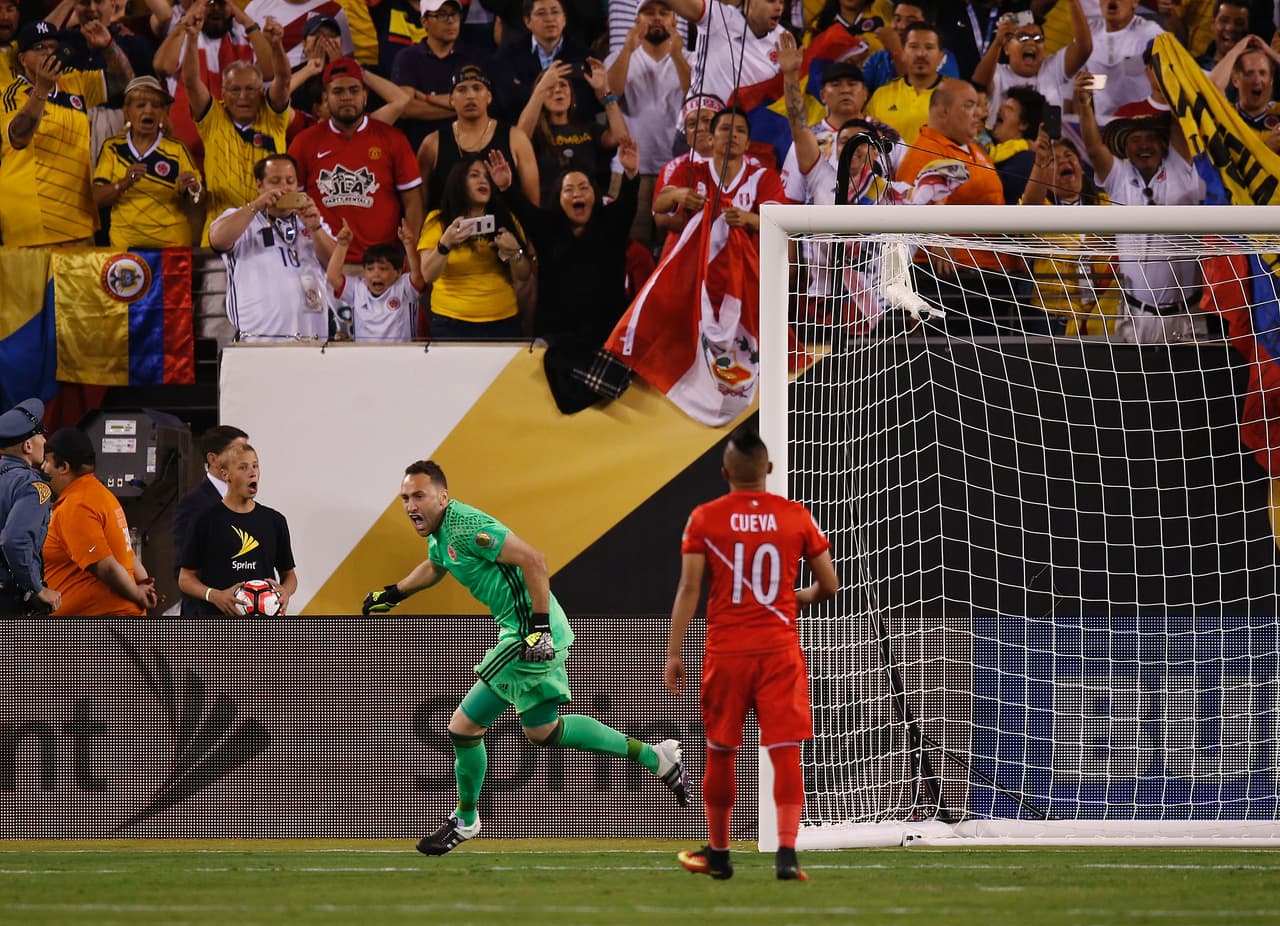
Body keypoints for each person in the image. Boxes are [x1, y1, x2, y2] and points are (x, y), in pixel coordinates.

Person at [360, 459, 691, 854]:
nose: (411, 505)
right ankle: (657, 757)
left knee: (462, 728)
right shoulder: (439, 534)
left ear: (442, 497)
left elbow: (534, 560)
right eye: (405, 498)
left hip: (526, 633)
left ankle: (466, 820)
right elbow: (436, 564)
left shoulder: (466, 526)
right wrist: (395, 592)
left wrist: (537, 628)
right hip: (529, 629)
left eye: (419, 495)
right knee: (543, 731)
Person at [665, 424, 839, 882]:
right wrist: (798, 598)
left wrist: (673, 652)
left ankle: (719, 855)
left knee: (720, 751)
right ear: (769, 469)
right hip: (779, 650)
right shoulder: (796, 516)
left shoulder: (704, 517)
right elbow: (831, 584)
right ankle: (786, 852)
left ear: (725, 471)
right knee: (785, 751)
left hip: (727, 651)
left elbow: (689, 587)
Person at [488, 138, 644, 410]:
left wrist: (631, 175)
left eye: (583, 188)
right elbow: (523, 210)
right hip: (559, 333)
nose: (576, 194)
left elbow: (628, 203)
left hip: (605, 331)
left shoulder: (611, 224)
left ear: (595, 195)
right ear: (558, 199)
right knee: (551, 357)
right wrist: (505, 187)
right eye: (568, 190)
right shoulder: (547, 228)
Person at [1076, 67, 1206, 344]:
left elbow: (1179, 125)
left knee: (1196, 387)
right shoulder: (1119, 177)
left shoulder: (1182, 170)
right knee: (1132, 386)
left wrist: (1168, 81)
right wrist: (1085, 105)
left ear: (1162, 143)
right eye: (1135, 139)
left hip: (1187, 315)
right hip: (1135, 315)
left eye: (1149, 138)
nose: (1143, 145)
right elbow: (1093, 148)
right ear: (1125, 147)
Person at [0, 20, 126, 246]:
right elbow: (19, 137)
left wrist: (109, 46)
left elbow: (123, 81)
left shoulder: (74, 81)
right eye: (39, 48)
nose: (49, 53)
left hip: (78, 220)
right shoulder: (10, 94)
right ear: (22, 59)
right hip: (33, 224)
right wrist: (42, 89)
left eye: (52, 47)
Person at [288, 57, 424, 264]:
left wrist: (410, 253)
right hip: (323, 264)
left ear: (365, 95)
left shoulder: (392, 138)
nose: (347, 97)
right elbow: (293, 202)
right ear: (325, 98)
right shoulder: (304, 142)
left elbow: (413, 200)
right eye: (338, 91)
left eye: (354, 90)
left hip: (382, 265)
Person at [183, 10, 292, 244]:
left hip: (271, 231)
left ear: (260, 91)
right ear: (223, 93)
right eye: (235, 89)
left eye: (250, 89)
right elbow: (191, 82)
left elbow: (283, 79)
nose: (243, 96)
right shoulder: (213, 118)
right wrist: (192, 39)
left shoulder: (273, 116)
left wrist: (276, 47)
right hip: (222, 230)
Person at [210, 152, 338, 340]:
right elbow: (217, 239)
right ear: (260, 185)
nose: (284, 188)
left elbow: (335, 265)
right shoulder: (243, 218)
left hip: (312, 339)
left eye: (290, 181)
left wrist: (315, 228)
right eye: (276, 181)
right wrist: (256, 206)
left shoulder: (312, 221)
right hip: (259, 340)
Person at [41, 428, 158, 616]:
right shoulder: (103, 496)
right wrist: (144, 587)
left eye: (47, 461)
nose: (43, 468)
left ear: (64, 467)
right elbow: (130, 556)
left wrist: (138, 593)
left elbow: (104, 566)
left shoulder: (77, 505)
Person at [417, 154, 532, 338]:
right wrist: (445, 245)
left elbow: (524, 275)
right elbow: (428, 275)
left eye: (487, 176)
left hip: (502, 320)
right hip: (451, 322)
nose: (483, 180)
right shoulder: (438, 221)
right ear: (459, 182)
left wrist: (514, 252)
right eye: (474, 175)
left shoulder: (505, 218)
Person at [178, 442, 297, 617]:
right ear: (225, 474)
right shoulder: (204, 520)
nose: (252, 472)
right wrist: (214, 595)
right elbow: (185, 579)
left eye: (255, 466)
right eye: (243, 467)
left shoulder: (275, 521)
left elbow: (289, 575)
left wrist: (285, 591)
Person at [1019, 131, 1119, 337]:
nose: (1064, 160)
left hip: (1103, 315)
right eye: (1054, 160)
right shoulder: (1041, 209)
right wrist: (1040, 162)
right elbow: (1029, 206)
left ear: (1081, 167)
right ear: (1044, 177)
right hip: (1053, 319)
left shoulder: (1106, 203)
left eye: (1069, 155)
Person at [92, 75, 203, 247]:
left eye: (156, 106)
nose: (149, 111)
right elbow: (96, 198)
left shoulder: (177, 149)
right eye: (141, 105)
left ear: (163, 113)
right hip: (125, 247)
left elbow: (198, 198)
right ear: (127, 112)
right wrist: (123, 184)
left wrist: (194, 188)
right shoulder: (113, 148)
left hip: (171, 247)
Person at [417, 63, 539, 210]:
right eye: (461, 90)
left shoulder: (516, 139)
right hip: (449, 230)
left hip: (504, 230)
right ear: (451, 100)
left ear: (489, 97)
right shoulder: (432, 144)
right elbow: (420, 204)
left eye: (477, 88)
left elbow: (532, 205)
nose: (470, 96)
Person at [517, 58, 626, 203]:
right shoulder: (536, 133)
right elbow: (519, 141)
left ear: (571, 95)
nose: (557, 90)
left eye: (563, 85)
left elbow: (620, 137)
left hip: (587, 207)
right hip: (548, 210)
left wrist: (604, 89)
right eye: (550, 87)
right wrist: (540, 89)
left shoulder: (588, 128)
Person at [172, 424, 249, 615]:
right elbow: (183, 570)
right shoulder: (193, 505)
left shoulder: (247, 501)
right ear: (213, 459)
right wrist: (215, 595)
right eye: (237, 452)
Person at [391, 0, 480, 150]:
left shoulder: (471, 58)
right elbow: (406, 108)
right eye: (441, 15)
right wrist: (462, 107)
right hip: (418, 148)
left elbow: (481, 104)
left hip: (464, 149)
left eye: (454, 14)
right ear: (424, 21)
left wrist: (427, 98)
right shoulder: (408, 57)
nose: (450, 20)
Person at [0, 399, 60, 617]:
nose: (44, 440)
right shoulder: (33, 487)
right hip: (9, 600)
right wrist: (37, 588)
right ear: (27, 446)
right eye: (40, 434)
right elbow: (15, 540)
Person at [328, 218, 426, 341]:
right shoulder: (357, 289)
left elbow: (418, 276)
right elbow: (333, 277)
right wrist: (342, 245)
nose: (376, 274)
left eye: (383, 269)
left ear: (398, 272)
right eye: (370, 269)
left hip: (402, 357)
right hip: (365, 357)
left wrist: (409, 244)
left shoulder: (405, 288)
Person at [864, 20, 946, 144]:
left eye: (929, 47)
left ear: (941, 56)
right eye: (913, 47)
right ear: (903, 52)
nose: (921, 54)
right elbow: (867, 140)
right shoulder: (881, 95)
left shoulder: (956, 95)